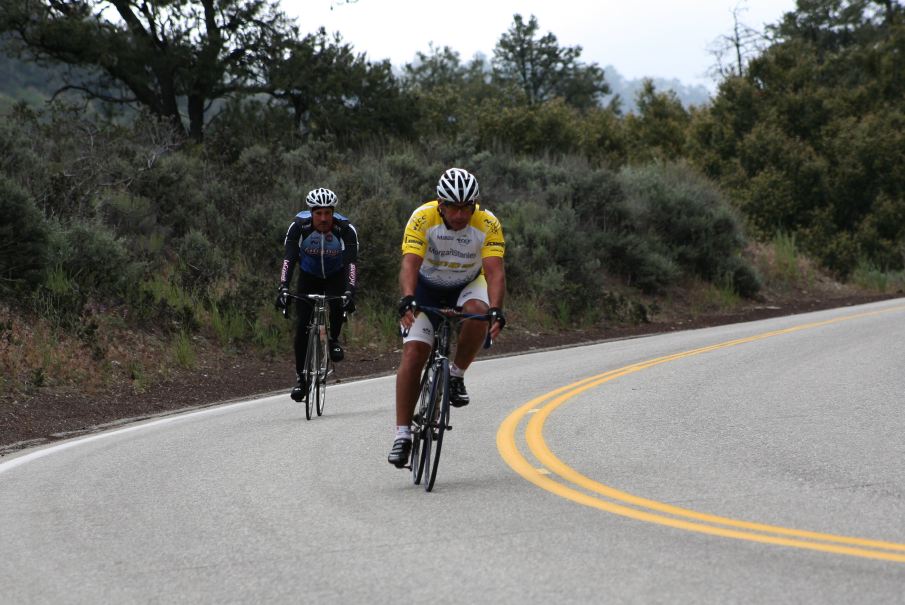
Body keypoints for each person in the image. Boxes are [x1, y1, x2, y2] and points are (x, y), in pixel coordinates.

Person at [388, 167, 507, 467]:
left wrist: (497, 309)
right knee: (414, 354)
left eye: (467, 207)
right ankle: (402, 434)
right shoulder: (422, 217)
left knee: (479, 313)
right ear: (440, 204)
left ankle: (455, 374)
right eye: (453, 206)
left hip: (466, 285)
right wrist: (407, 298)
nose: (460, 214)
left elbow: (494, 271)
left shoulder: (487, 223)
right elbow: (410, 264)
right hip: (427, 289)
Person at [275, 188, 359, 401]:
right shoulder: (298, 227)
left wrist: (350, 291)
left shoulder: (346, 230)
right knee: (302, 326)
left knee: (339, 303)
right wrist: (283, 287)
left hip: (335, 275)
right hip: (308, 276)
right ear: (311, 212)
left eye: (328, 213)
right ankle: (301, 380)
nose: (323, 218)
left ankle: (333, 339)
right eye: (319, 213)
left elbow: (351, 264)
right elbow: (289, 259)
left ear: (333, 213)